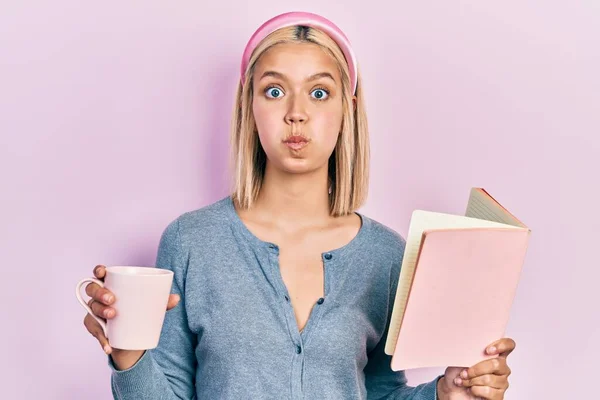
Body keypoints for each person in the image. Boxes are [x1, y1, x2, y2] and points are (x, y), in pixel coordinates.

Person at [82, 11, 515, 400]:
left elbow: (382, 394)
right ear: (247, 105)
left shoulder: (385, 256)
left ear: (349, 107)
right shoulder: (191, 240)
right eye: (274, 91)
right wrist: (128, 354)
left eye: (319, 94)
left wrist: (446, 393)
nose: (296, 113)